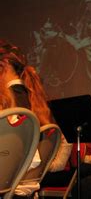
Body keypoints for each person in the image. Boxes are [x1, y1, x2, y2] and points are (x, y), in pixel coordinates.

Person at [0, 40, 54, 197]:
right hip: (26, 184)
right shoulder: (33, 99)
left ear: (3, 64)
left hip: (8, 182)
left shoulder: (7, 102)